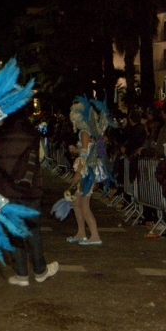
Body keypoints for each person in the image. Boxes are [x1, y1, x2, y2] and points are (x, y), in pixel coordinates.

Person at [0, 107, 58, 286]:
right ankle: (39, 270)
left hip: (7, 191)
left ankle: (21, 274)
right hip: (30, 190)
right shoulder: (32, 134)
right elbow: (41, 157)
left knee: (13, 231)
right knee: (32, 230)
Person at [67, 96, 108, 246]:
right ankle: (81, 233)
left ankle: (95, 235)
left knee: (84, 204)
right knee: (76, 203)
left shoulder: (84, 131)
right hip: (88, 169)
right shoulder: (91, 131)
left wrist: (77, 174)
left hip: (86, 171)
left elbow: (84, 154)